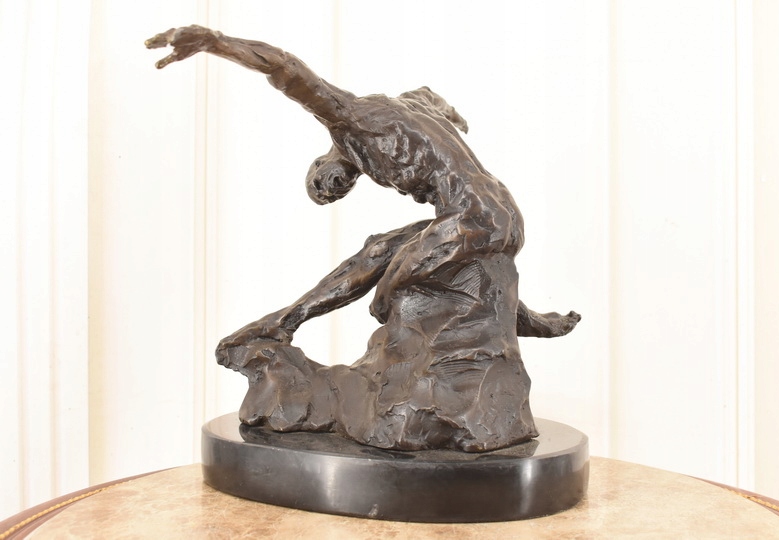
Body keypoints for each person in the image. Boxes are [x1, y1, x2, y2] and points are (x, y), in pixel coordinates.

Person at [147, 26, 580, 451]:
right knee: (382, 248)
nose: (333, 189)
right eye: (333, 193)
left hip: (476, 218)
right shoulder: (402, 108)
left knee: (386, 294)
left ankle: (293, 323)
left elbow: (286, 69)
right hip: (488, 217)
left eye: (324, 184)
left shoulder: (349, 117)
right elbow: (427, 95)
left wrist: (216, 42)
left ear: (322, 160)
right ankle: (288, 320)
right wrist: (450, 115)